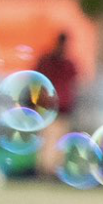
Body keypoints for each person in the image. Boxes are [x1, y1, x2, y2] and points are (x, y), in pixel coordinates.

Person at [34, 32, 82, 176]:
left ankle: (51, 170)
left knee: (54, 140)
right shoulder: (58, 62)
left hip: (58, 107)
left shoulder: (57, 62)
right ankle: (49, 170)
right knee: (51, 139)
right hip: (54, 106)